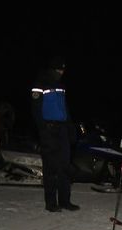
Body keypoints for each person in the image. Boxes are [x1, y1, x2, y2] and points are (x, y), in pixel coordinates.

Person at [30, 56, 80, 212]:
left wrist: (71, 128)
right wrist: (43, 130)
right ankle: (51, 203)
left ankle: (65, 201)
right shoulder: (40, 84)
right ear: (52, 69)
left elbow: (64, 107)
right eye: (59, 69)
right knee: (51, 168)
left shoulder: (61, 85)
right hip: (49, 130)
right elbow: (35, 109)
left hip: (63, 129)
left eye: (63, 69)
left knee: (65, 167)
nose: (61, 72)